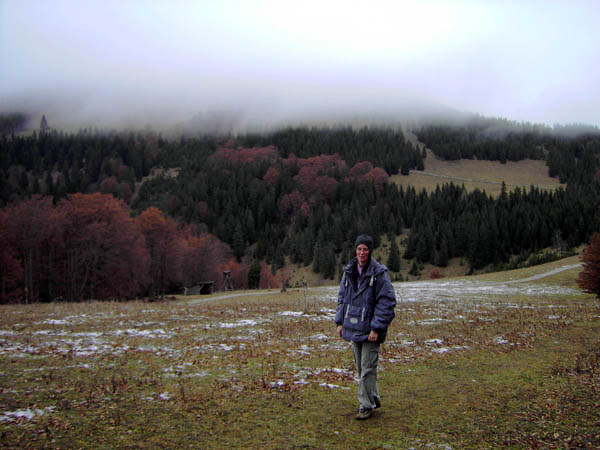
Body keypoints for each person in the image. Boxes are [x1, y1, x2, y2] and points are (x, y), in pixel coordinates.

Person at [335, 234, 396, 420]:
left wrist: (376, 328)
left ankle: (365, 405)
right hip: (354, 328)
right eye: (359, 249)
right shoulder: (349, 272)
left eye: (365, 249)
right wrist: (339, 322)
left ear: (370, 252)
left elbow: (387, 302)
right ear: (356, 250)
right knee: (362, 369)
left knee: (368, 368)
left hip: (371, 331)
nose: (362, 253)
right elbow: (342, 298)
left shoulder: (379, 274)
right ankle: (373, 397)